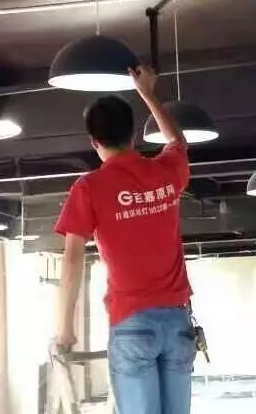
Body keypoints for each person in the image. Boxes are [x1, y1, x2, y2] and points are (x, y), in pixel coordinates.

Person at [53, 66, 194, 414]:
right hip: (178, 322)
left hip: (132, 322)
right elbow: (177, 143)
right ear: (133, 135)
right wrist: (148, 93)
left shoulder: (89, 188)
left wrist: (64, 328)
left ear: (94, 142)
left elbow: (72, 261)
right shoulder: (165, 172)